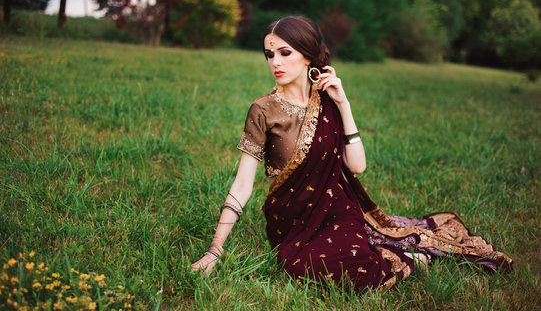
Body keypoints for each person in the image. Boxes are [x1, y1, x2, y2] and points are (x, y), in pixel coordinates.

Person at [191, 16, 513, 291]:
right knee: (300, 266)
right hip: (290, 221)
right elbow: (242, 184)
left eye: (284, 52)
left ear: (307, 56)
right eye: (269, 54)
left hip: (336, 211)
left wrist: (343, 103)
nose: (275, 61)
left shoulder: (328, 103)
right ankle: (408, 257)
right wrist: (214, 250)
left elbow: (356, 166)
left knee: (352, 263)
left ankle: (416, 257)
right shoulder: (263, 110)